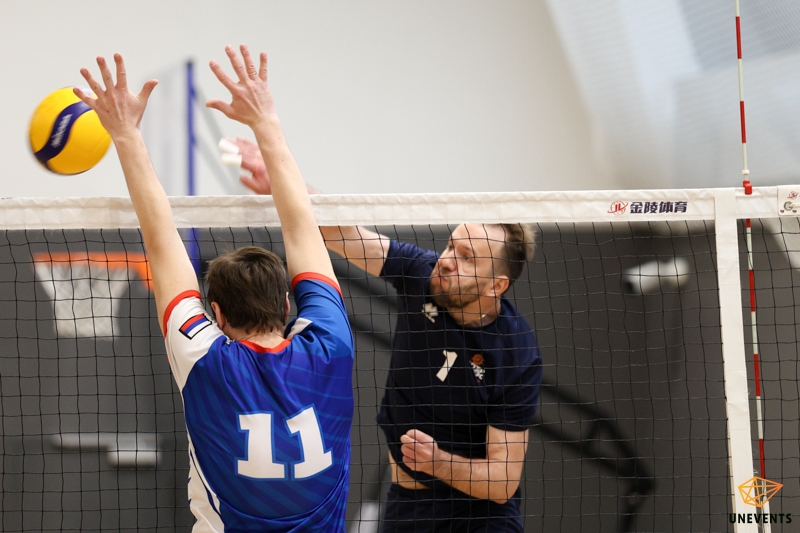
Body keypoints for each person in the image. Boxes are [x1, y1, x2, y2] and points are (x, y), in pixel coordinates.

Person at [76, 45, 354, 532]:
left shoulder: (205, 361)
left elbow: (161, 242)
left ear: (217, 315)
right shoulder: (331, 346)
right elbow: (302, 227)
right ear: (286, 304)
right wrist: (265, 121)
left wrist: (124, 133)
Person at [229, 137, 543, 531]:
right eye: (452, 246)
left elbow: (502, 482)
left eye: (467, 258)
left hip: (481, 519)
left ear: (497, 286)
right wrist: (281, 180)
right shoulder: (421, 273)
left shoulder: (516, 352)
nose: (447, 261)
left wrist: (438, 462)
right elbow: (344, 233)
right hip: (407, 509)